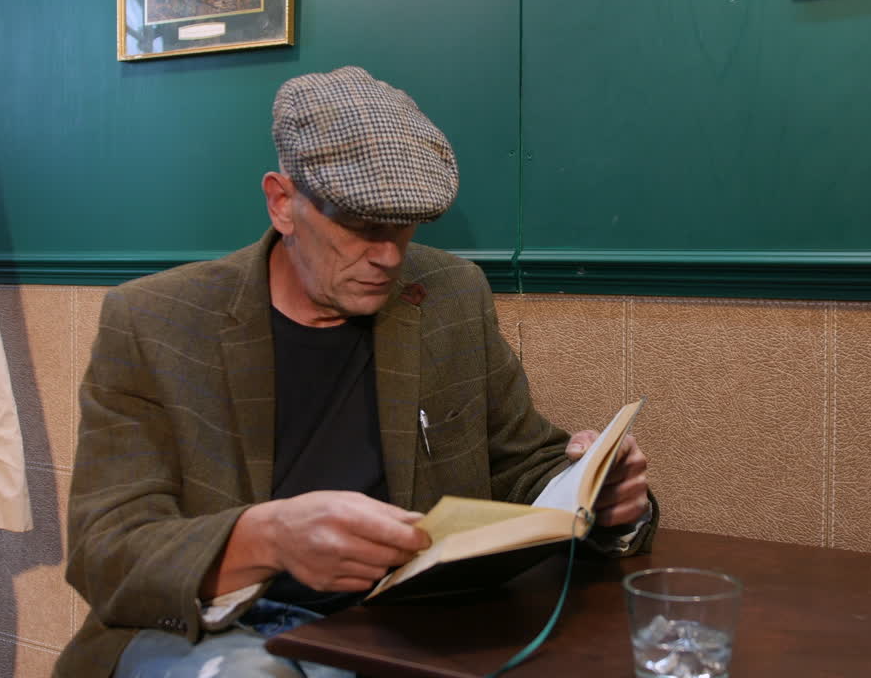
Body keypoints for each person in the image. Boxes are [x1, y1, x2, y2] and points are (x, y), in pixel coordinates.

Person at [54, 66, 656, 678]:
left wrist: (600, 494)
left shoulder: (449, 294)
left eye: (405, 226)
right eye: (361, 226)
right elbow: (105, 550)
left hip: (389, 628)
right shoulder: (155, 320)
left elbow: (523, 462)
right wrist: (264, 540)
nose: (390, 256)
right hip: (216, 628)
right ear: (283, 202)